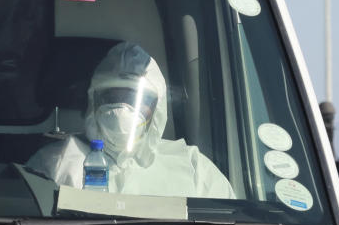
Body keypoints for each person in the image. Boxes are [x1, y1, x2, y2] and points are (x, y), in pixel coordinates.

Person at [26, 41, 234, 198]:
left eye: (137, 98)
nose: (123, 107)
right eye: (113, 95)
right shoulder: (54, 163)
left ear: (156, 108)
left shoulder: (193, 167)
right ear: (95, 101)